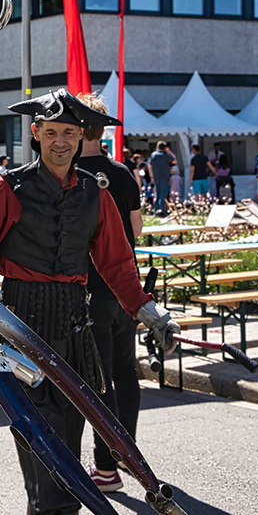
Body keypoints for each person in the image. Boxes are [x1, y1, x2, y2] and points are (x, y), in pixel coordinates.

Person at [0, 89, 178, 515]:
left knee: (63, 450)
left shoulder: (97, 195)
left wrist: (150, 313)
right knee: (45, 447)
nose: (61, 141)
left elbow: (117, 264)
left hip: (77, 334)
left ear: (81, 137)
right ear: (35, 133)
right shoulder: (7, 188)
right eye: (51, 132)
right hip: (18, 332)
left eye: (69, 133)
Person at [75, 95, 143, 494]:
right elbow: (136, 231)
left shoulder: (71, 173)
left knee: (99, 381)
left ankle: (106, 467)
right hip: (126, 286)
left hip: (91, 288)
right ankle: (125, 454)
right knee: (125, 371)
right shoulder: (122, 172)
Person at [147, 141, 173, 216]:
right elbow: (174, 161)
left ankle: (155, 210)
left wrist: (152, 176)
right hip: (165, 177)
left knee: (157, 194)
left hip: (156, 177)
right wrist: (169, 152)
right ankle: (162, 210)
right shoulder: (165, 155)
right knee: (163, 195)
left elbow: (149, 166)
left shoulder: (153, 155)